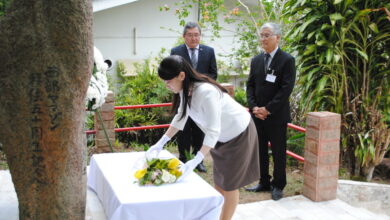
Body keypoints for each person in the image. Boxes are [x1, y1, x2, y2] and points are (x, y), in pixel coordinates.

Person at [146, 55, 259, 220]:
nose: (167, 85)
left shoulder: (206, 92)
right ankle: (217, 215)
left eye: (168, 80)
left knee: (229, 184)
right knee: (220, 182)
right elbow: (180, 117)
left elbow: (213, 130)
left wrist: (198, 158)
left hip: (238, 134)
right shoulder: (185, 89)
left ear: (182, 76)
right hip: (221, 137)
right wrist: (160, 143)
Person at [245, 23, 296, 201]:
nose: (263, 39)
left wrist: (268, 109)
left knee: (278, 151)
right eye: (262, 35)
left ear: (277, 37)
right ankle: (264, 181)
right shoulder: (256, 60)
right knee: (260, 151)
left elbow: (285, 89)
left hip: (276, 116)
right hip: (257, 115)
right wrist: (254, 107)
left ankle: (278, 185)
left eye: (267, 35)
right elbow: (250, 85)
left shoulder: (287, 60)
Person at [170, 21, 218, 172]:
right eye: (190, 35)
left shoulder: (209, 51)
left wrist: (197, 87)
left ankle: (199, 161)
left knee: (199, 129)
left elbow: (213, 73)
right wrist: (186, 87)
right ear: (184, 36)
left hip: (201, 98)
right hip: (184, 97)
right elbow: (173, 72)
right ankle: (183, 158)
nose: (193, 38)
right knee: (183, 128)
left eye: (196, 35)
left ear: (200, 36)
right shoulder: (176, 51)